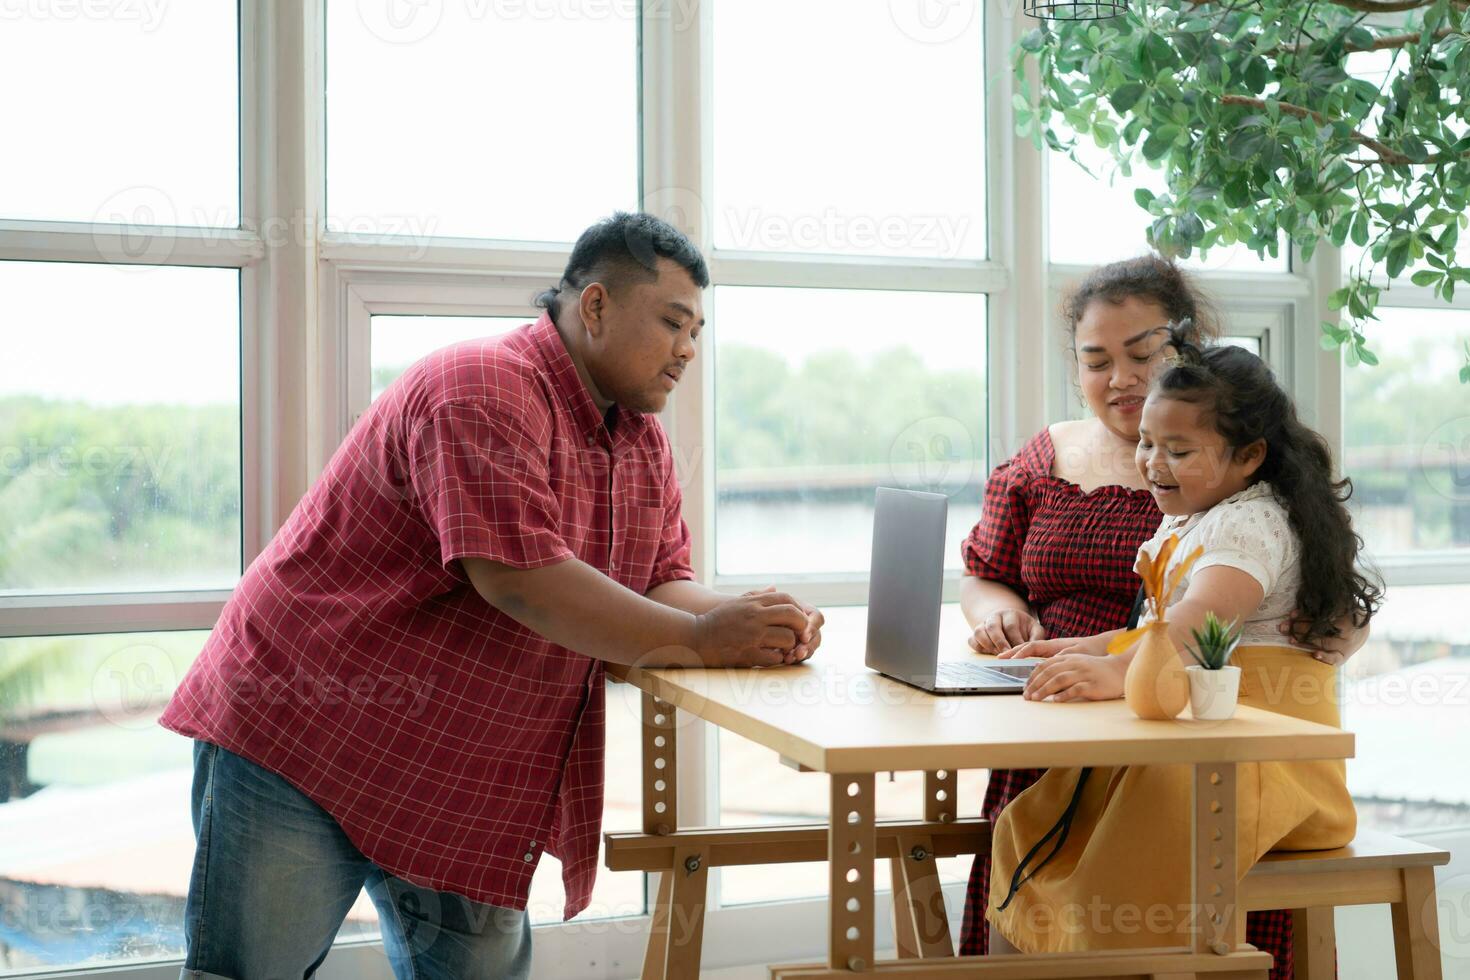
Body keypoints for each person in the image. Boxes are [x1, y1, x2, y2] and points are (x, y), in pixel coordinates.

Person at [158, 212, 825, 980]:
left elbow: (654, 582)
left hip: (461, 774)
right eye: (673, 323)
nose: (687, 350)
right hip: (308, 735)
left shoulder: (642, 439)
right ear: (597, 306)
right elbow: (521, 580)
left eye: (697, 332)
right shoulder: (480, 386)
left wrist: (752, 622)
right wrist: (709, 639)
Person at [956, 255, 1363, 977]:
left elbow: (1198, 624)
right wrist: (1072, 647)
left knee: (1114, 858)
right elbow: (1149, 624)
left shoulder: (1243, 524)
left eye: (1142, 354)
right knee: (1033, 825)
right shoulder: (1188, 511)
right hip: (1162, 728)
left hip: (1244, 751)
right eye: (1096, 360)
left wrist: (1114, 671)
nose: (1152, 463)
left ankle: (1123, 959)